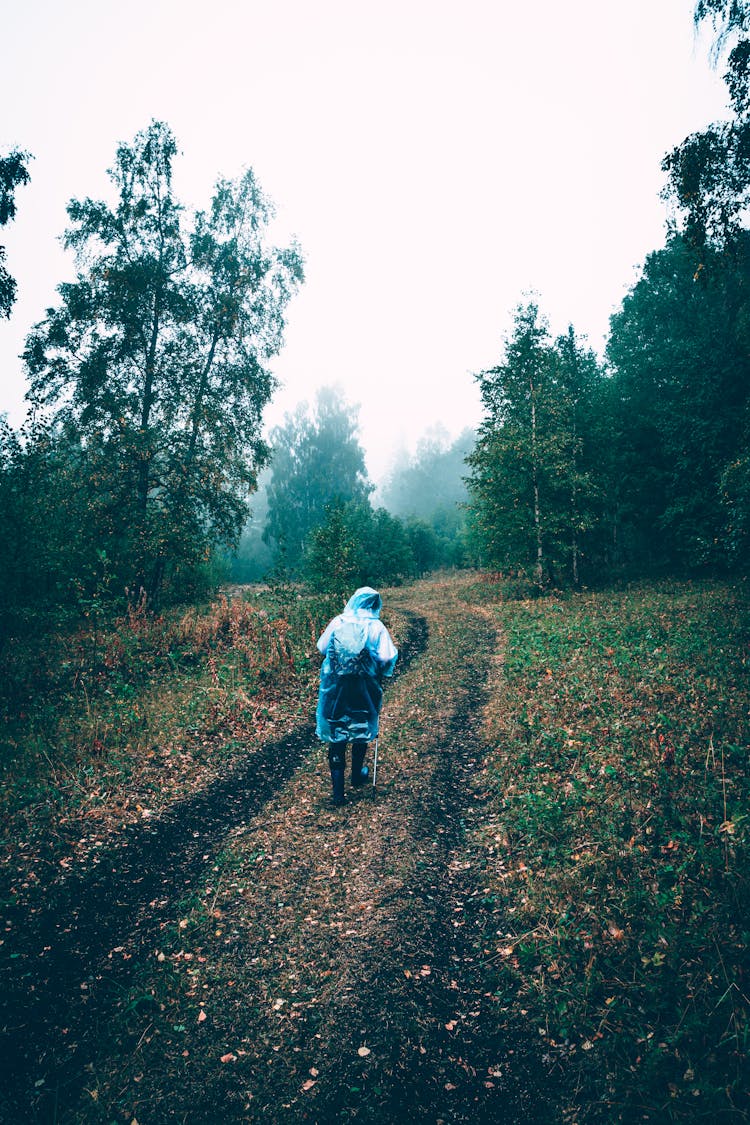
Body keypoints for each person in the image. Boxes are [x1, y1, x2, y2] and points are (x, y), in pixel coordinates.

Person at [316, 586, 398, 806]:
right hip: (364, 687)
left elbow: (322, 647)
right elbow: (387, 656)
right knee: (361, 725)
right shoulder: (376, 626)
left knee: (336, 731)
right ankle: (357, 774)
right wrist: (380, 670)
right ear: (374, 604)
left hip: (335, 687)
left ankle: (338, 794)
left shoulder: (338, 622)